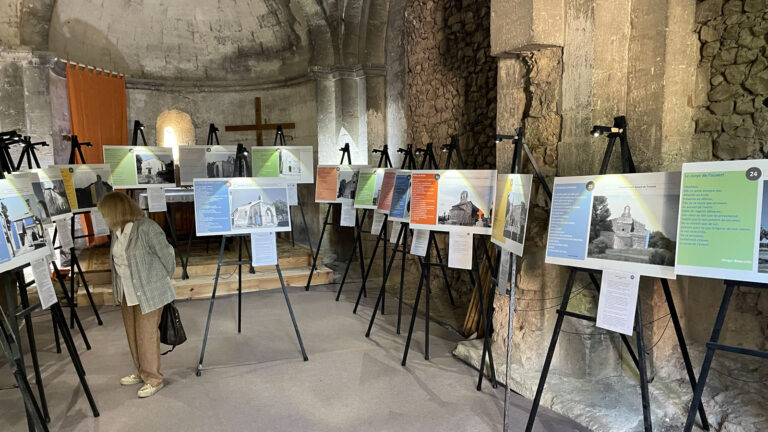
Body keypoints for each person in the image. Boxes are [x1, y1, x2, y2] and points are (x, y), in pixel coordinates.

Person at [97, 192, 176, 398]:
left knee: (146, 335)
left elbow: (168, 256)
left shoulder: (146, 228)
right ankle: (142, 371)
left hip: (149, 291)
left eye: (105, 213)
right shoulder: (117, 231)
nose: (103, 217)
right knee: (132, 333)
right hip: (126, 291)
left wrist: (159, 280)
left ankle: (154, 378)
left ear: (116, 211)